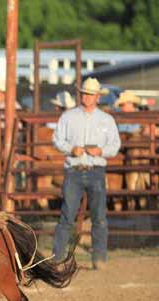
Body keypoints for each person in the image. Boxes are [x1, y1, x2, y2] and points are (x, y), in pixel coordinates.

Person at [52, 78, 121, 270]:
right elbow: (57, 139)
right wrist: (70, 149)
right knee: (67, 215)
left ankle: (99, 257)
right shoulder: (68, 117)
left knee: (99, 216)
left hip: (96, 170)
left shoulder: (107, 120)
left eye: (90, 94)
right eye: (84, 93)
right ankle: (57, 257)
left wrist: (101, 151)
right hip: (74, 169)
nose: (86, 97)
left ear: (98, 97)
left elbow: (115, 145)